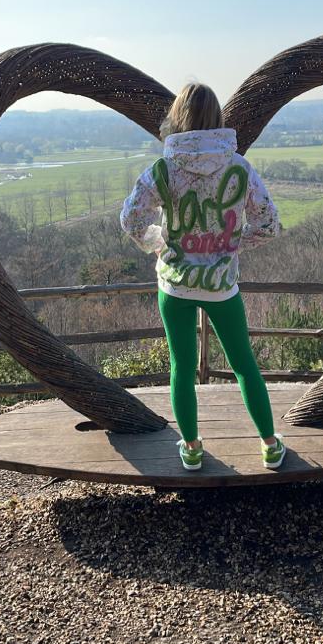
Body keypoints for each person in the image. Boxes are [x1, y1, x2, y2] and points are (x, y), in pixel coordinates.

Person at [120, 82, 286, 472]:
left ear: (177, 118)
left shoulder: (163, 169)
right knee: (245, 366)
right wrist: (231, 244)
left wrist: (158, 242)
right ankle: (269, 444)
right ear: (217, 119)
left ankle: (192, 448)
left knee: (181, 367)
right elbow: (269, 224)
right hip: (221, 287)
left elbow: (131, 219)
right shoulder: (239, 168)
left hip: (174, 286)